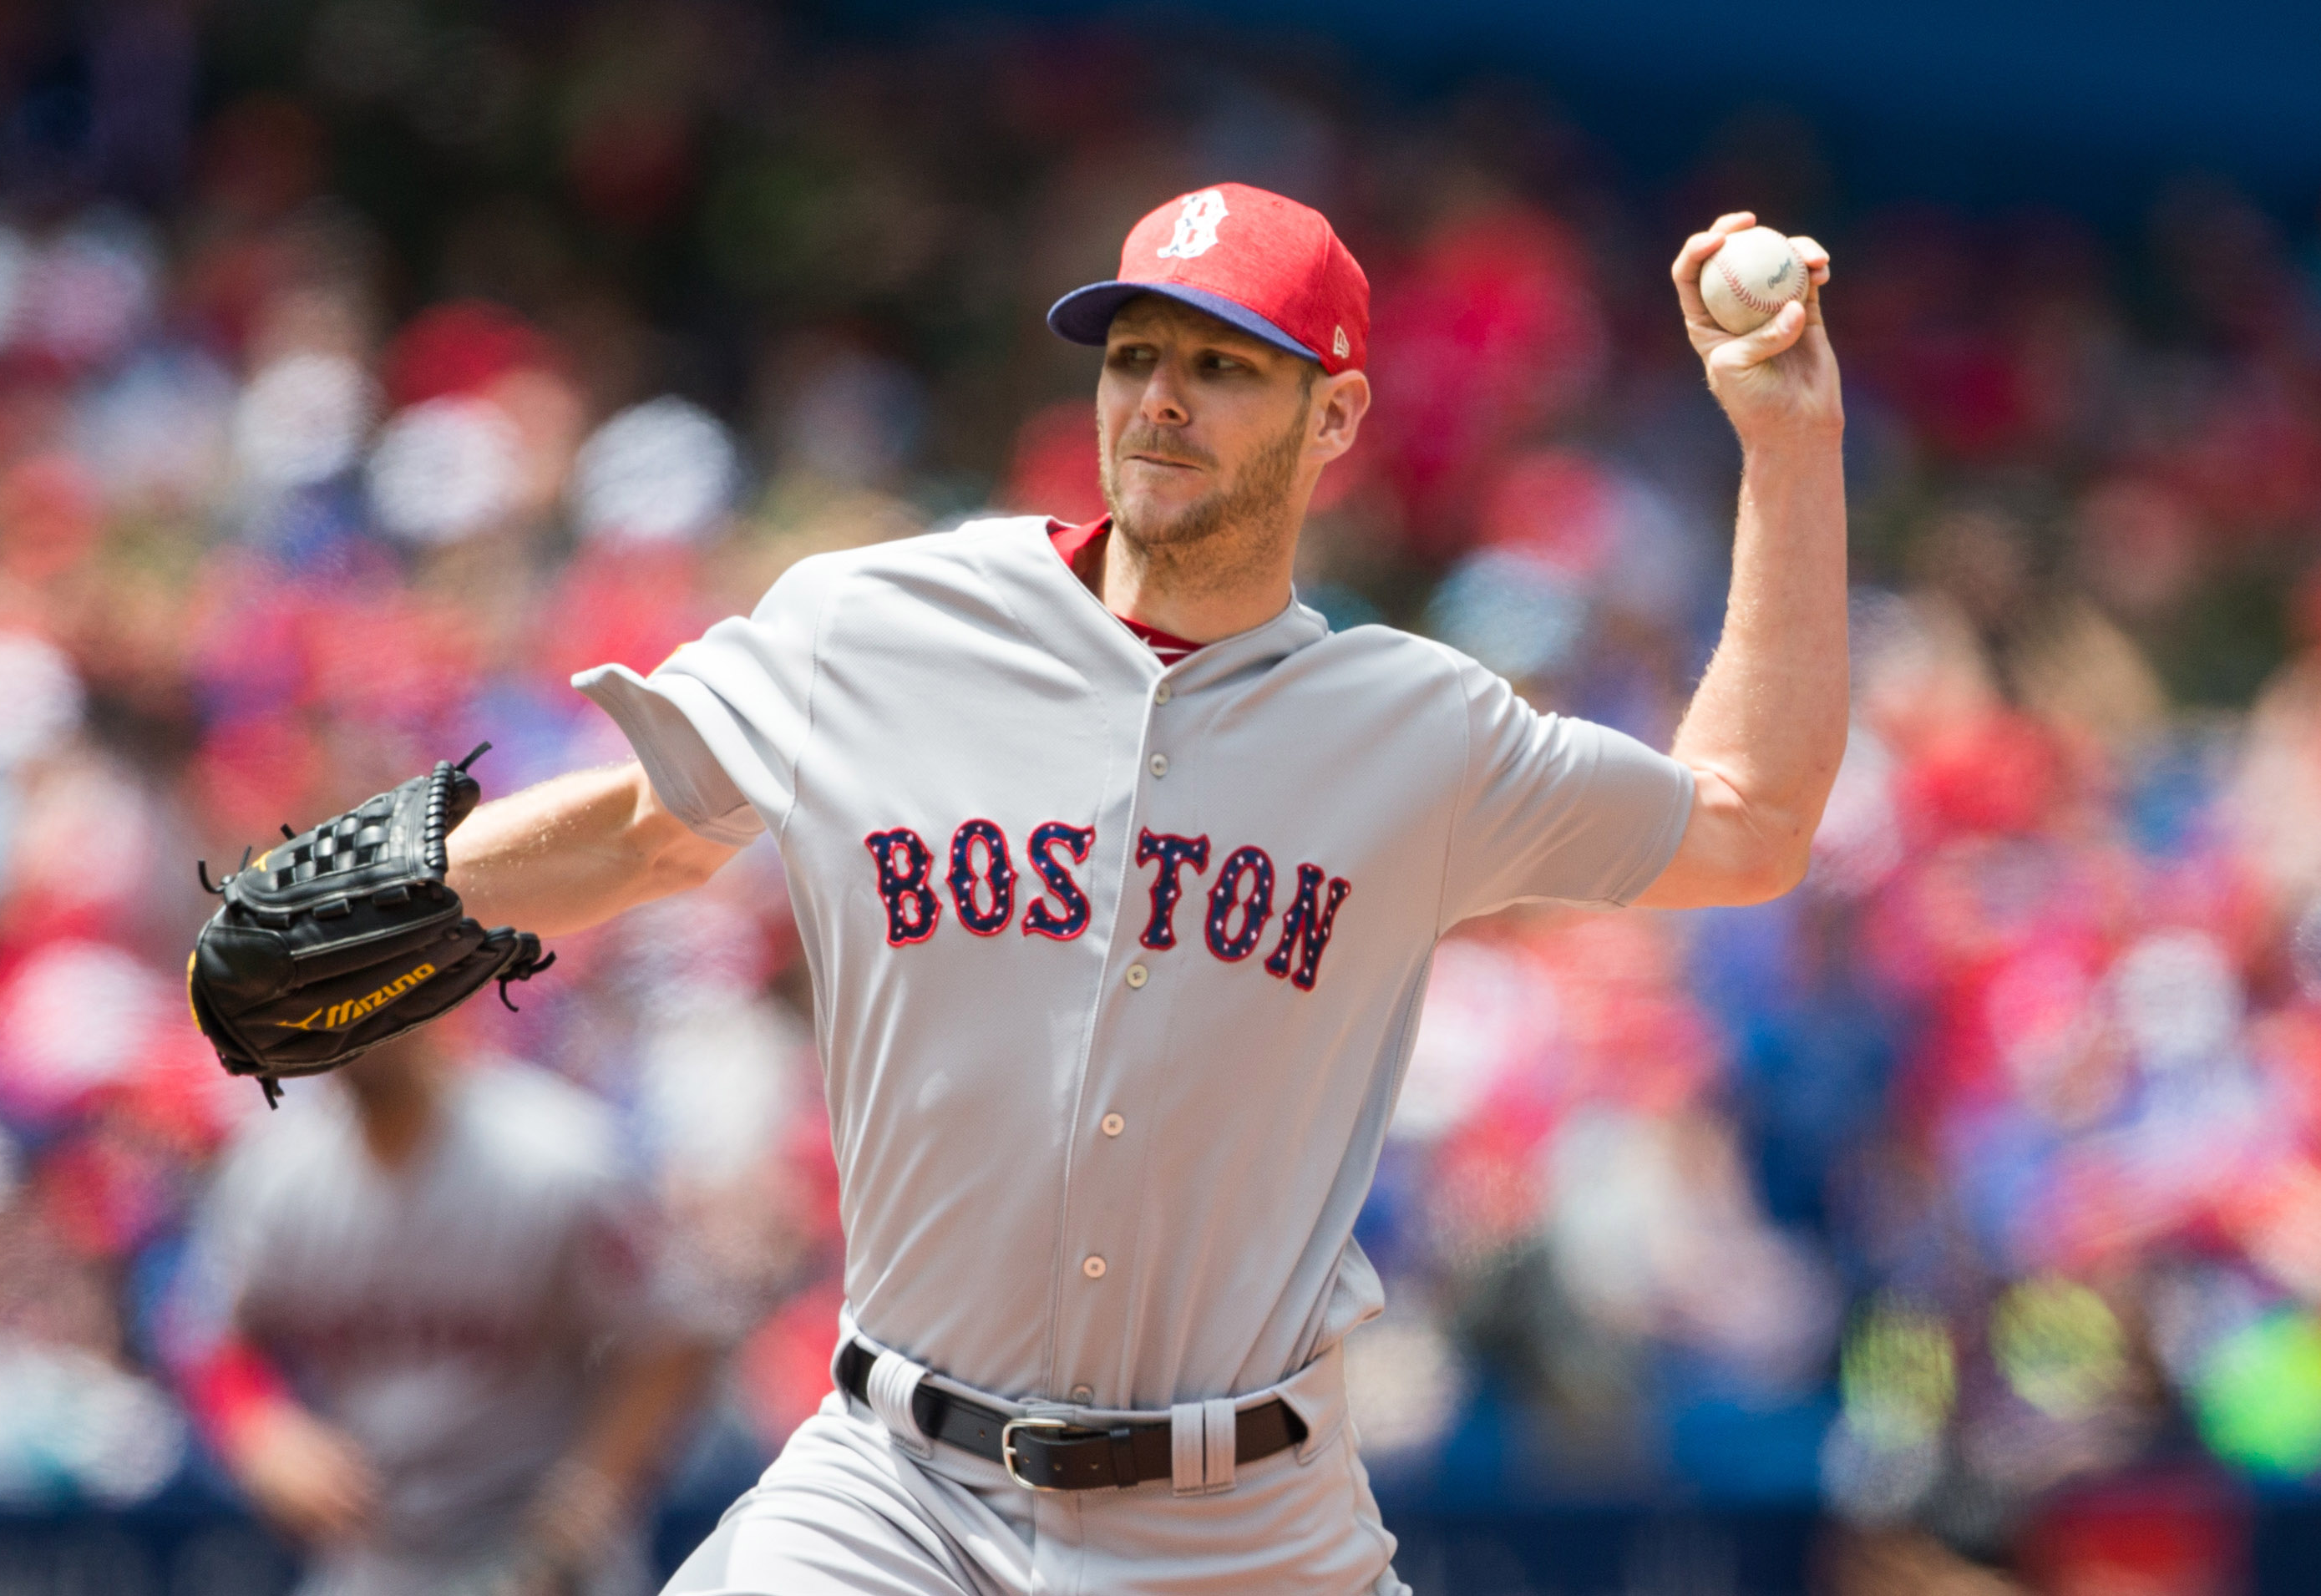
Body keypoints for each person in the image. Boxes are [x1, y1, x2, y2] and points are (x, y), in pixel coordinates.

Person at [442, 183, 1845, 1594]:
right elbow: (644, 828)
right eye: (1134, 356)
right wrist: (375, 897)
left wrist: (1790, 447)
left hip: (1248, 1527)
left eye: (1222, 366)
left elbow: (1748, 825)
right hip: (896, 1490)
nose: (1161, 399)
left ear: (1336, 420)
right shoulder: (879, 627)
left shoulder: (1421, 731)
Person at [165, 1027, 717, 1596]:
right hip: (373, 1553)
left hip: (532, 1547)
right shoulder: (274, 1170)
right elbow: (208, 1335)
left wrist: (586, 1498)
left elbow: (670, 1344)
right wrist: (261, 1429)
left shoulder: (559, 1156)